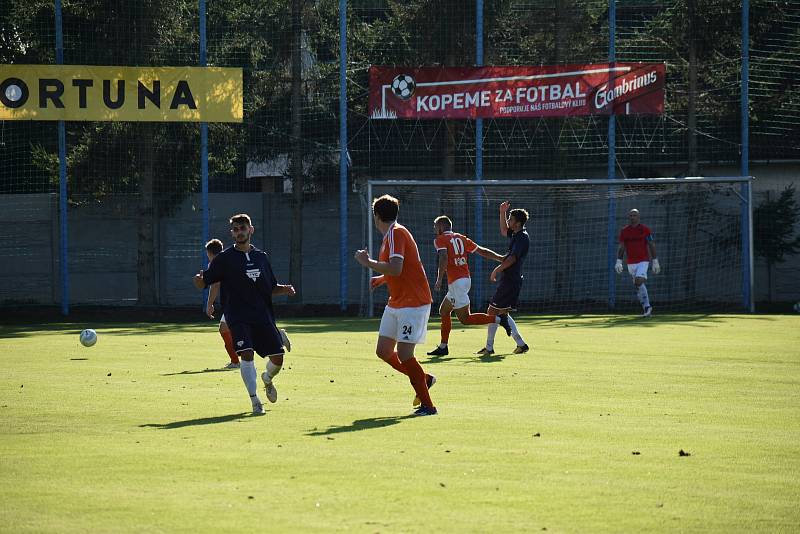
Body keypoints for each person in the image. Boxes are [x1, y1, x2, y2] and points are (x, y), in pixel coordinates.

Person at [193, 214, 295, 415]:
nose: (239, 232)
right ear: (232, 233)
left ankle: (267, 379)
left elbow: (270, 286)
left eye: (243, 228)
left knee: (278, 359)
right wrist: (198, 281)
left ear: (251, 230)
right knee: (246, 355)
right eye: (235, 229)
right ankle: (255, 401)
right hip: (237, 315)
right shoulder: (224, 259)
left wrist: (284, 289)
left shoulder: (261, 257)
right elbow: (205, 281)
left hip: (262, 315)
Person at [355, 194, 437, 416]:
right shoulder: (391, 236)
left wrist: (368, 263)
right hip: (397, 302)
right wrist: (382, 279)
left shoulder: (395, 233)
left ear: (377, 216)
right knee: (383, 351)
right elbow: (402, 268)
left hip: (414, 303)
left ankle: (429, 406)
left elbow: (397, 267)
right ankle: (424, 378)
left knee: (404, 354)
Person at [206, 239, 292, 370]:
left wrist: (209, 304)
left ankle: (236, 361)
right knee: (225, 328)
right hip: (242, 302)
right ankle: (236, 360)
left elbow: (215, 284)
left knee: (231, 328)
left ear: (209, 253)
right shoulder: (233, 257)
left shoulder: (218, 262)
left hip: (236, 304)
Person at [426, 215, 506, 357]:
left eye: (435, 227)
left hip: (457, 283)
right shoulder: (462, 238)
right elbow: (482, 251)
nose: (434, 230)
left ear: (440, 227)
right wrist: (500, 257)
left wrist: (439, 279)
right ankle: (443, 347)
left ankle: (499, 319)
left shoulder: (440, 240)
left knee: (465, 319)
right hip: (463, 280)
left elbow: (443, 257)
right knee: (444, 311)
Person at [477, 201, 530, 356]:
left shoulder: (522, 238)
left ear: (518, 223)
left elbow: (512, 259)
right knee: (500, 312)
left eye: (511, 219)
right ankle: (520, 344)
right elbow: (503, 230)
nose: (509, 222)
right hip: (511, 280)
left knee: (493, 311)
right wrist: (502, 212)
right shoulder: (516, 234)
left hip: (510, 280)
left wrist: (497, 269)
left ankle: (490, 347)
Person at [615, 208, 660, 317]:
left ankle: (648, 307)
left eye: (634, 215)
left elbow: (651, 244)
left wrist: (655, 261)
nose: (632, 217)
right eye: (630, 215)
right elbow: (621, 246)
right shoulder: (624, 231)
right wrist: (618, 261)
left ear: (639, 217)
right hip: (631, 262)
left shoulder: (645, 230)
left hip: (643, 261)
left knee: (639, 281)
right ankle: (647, 308)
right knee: (638, 284)